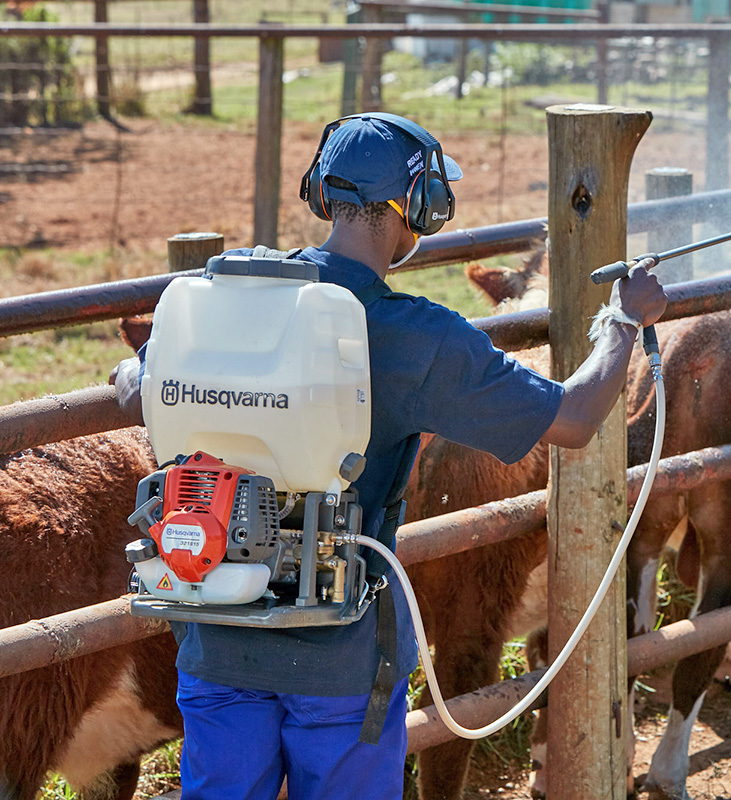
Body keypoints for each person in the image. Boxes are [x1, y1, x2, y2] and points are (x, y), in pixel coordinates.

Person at [109, 113, 666, 800]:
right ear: (419, 206)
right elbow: (576, 416)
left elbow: (137, 384)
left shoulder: (228, 299)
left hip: (218, 637)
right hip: (340, 657)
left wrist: (135, 373)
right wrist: (622, 319)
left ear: (322, 195)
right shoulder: (418, 338)